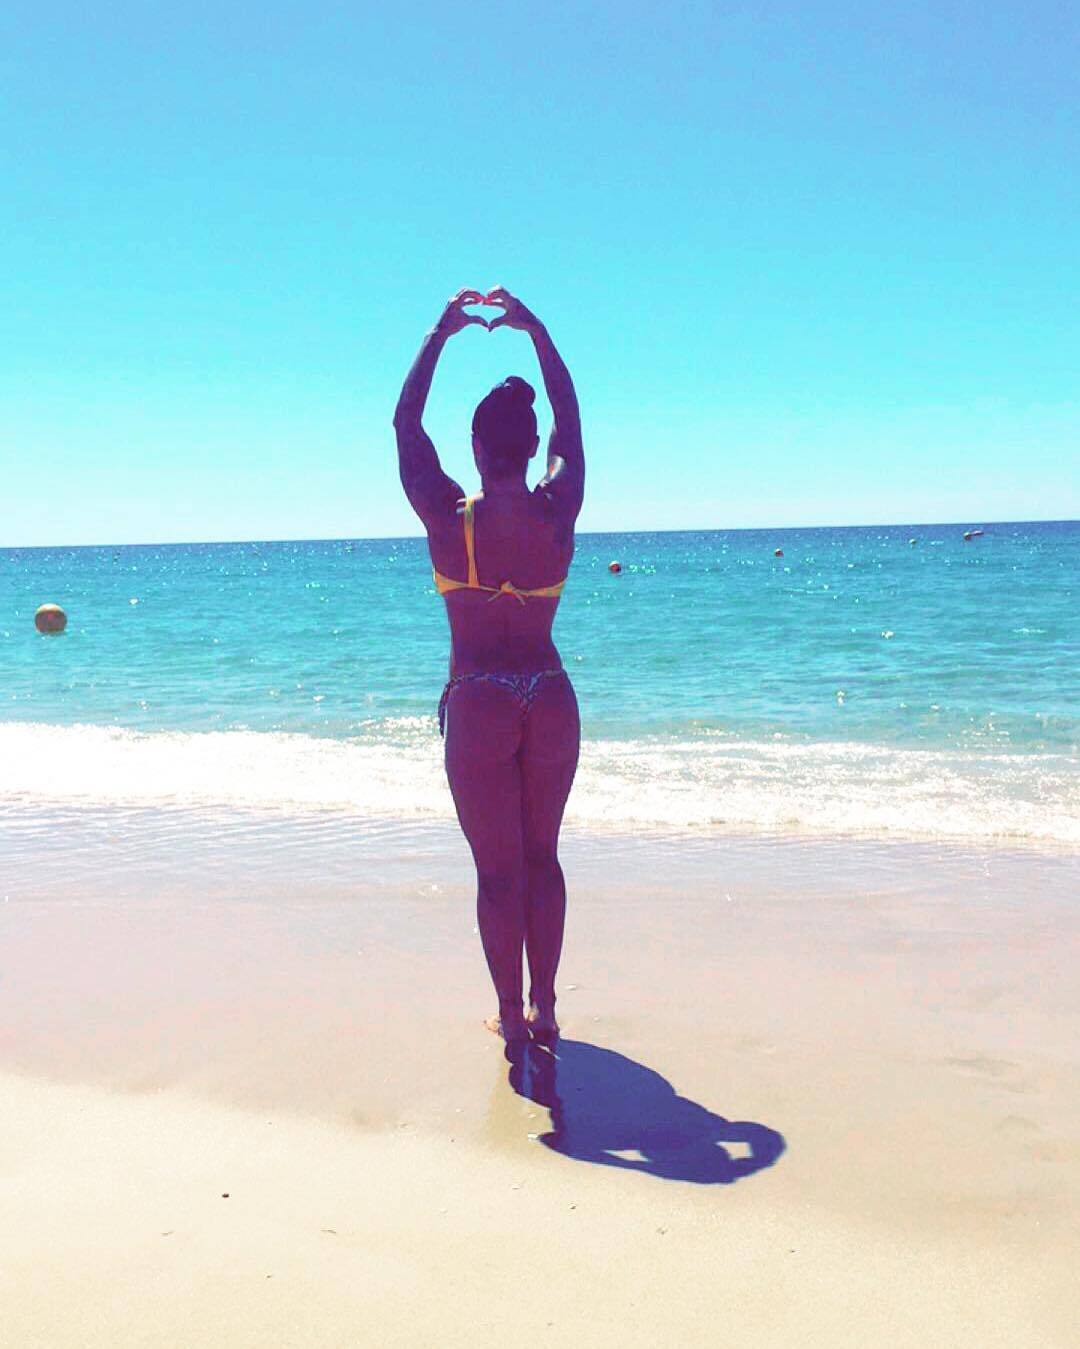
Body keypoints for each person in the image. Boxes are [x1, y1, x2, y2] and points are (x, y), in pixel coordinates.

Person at [393, 286, 584, 1050]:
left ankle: (510, 1014)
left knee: (498, 872)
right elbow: (571, 419)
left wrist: (438, 334)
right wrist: (538, 330)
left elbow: (406, 425)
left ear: (475, 447)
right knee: (544, 859)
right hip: (551, 693)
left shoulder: (449, 518)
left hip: (479, 699)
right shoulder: (557, 508)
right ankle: (546, 1006)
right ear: (532, 447)